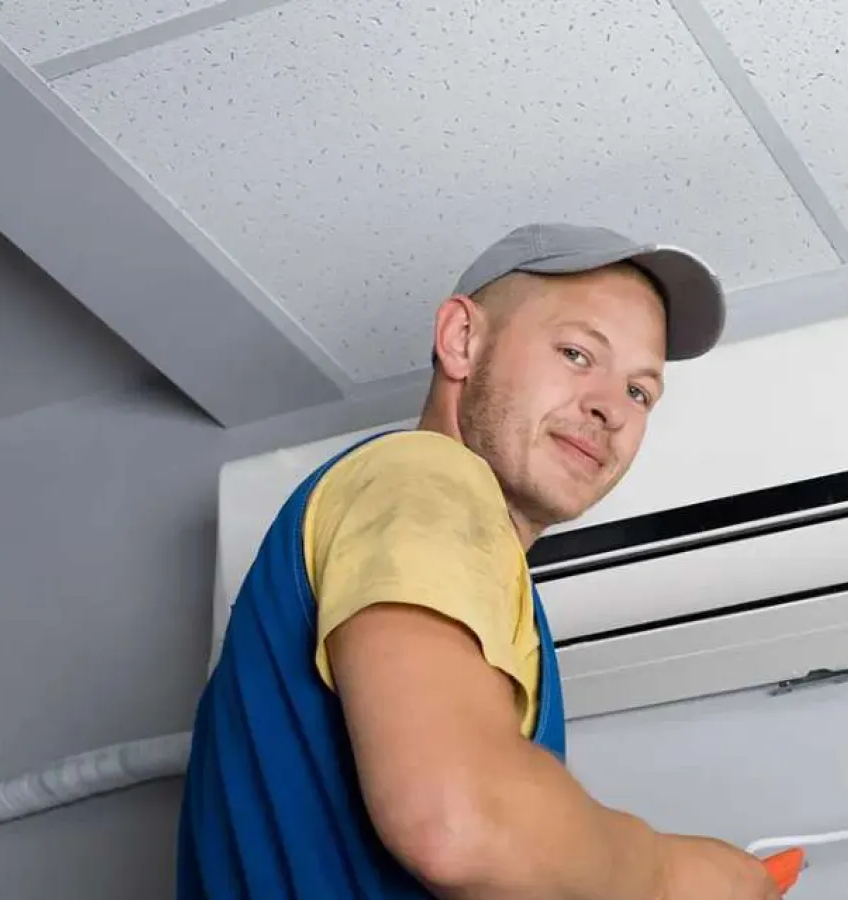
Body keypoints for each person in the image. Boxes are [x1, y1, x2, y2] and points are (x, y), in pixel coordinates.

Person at [176, 223, 782, 899]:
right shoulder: (424, 476)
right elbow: (459, 822)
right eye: (579, 354)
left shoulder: (484, 580)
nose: (611, 407)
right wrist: (669, 877)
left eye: (640, 392)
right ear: (462, 340)